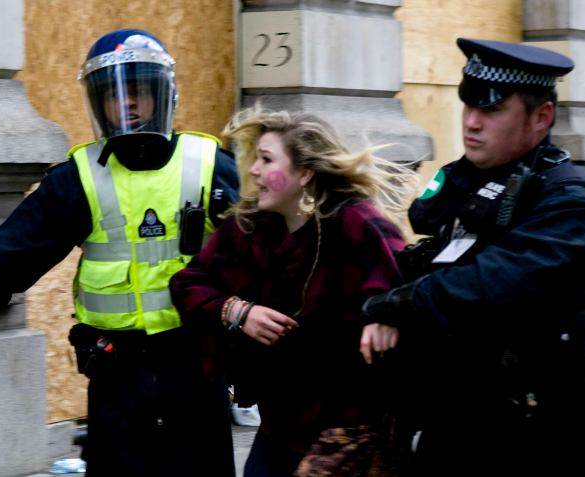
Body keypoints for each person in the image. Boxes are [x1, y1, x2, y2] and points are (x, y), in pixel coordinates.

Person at [0, 29, 239, 477]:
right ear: (98, 104)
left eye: (139, 90)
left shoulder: (209, 165)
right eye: (113, 96)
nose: (127, 104)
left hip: (195, 373)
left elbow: (279, 252)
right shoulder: (78, 180)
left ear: (163, 94)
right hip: (118, 379)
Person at [362, 38, 585, 476]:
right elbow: (435, 260)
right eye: (468, 107)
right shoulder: (480, 184)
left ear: (541, 117)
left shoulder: (574, 204)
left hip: (548, 441)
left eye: (491, 110)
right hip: (465, 429)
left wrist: (397, 305)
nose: (471, 122)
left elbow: (491, 282)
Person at [169, 108, 418, 477]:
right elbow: (187, 282)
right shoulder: (251, 226)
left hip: (350, 428)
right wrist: (238, 312)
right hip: (281, 422)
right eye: (255, 158)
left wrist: (385, 314)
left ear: (304, 173)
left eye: (266, 159)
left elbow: (409, 290)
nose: (253, 170)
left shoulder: (357, 224)